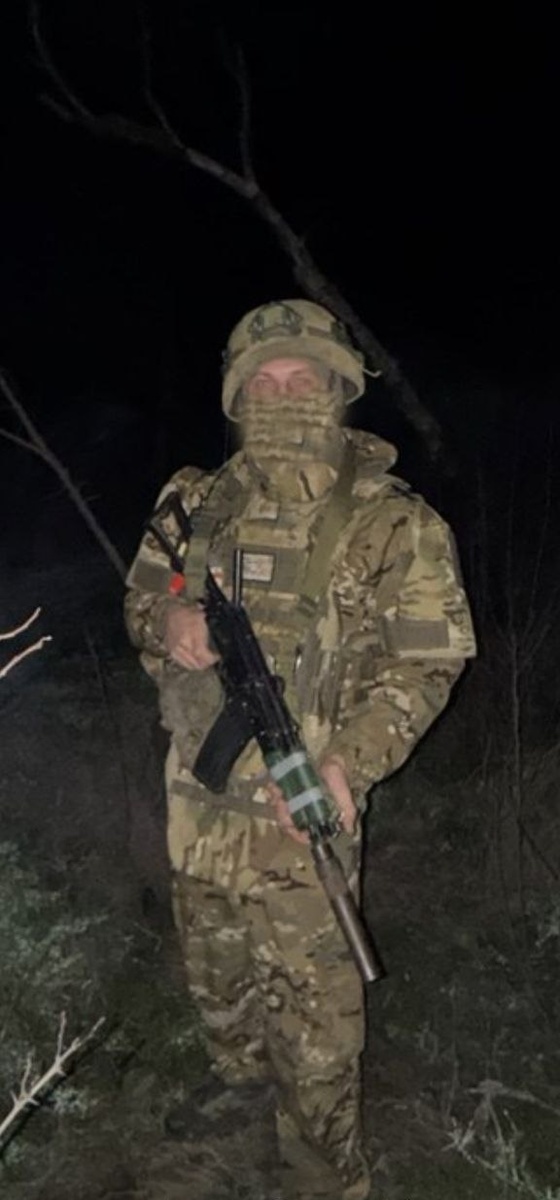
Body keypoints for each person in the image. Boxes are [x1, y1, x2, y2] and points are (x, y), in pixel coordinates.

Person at [124, 299, 476, 1199]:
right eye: (264, 383)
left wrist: (346, 763)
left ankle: (324, 1176)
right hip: (199, 807)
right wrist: (167, 621)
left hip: (304, 811)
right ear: (238, 398)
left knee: (318, 1029)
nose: (283, 397)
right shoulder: (193, 502)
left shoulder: (396, 524)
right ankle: (239, 1082)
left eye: (302, 379)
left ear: (338, 389)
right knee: (217, 975)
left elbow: (424, 666)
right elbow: (140, 600)